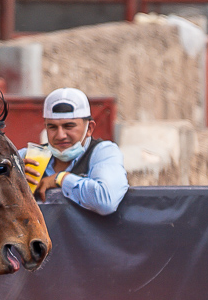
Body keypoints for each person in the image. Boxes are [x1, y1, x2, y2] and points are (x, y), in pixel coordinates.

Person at [21, 87, 128, 216]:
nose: (60, 135)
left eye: (69, 126)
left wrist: (61, 178)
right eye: (52, 127)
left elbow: (106, 200)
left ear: (89, 128)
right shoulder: (29, 158)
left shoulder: (103, 152)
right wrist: (11, 178)